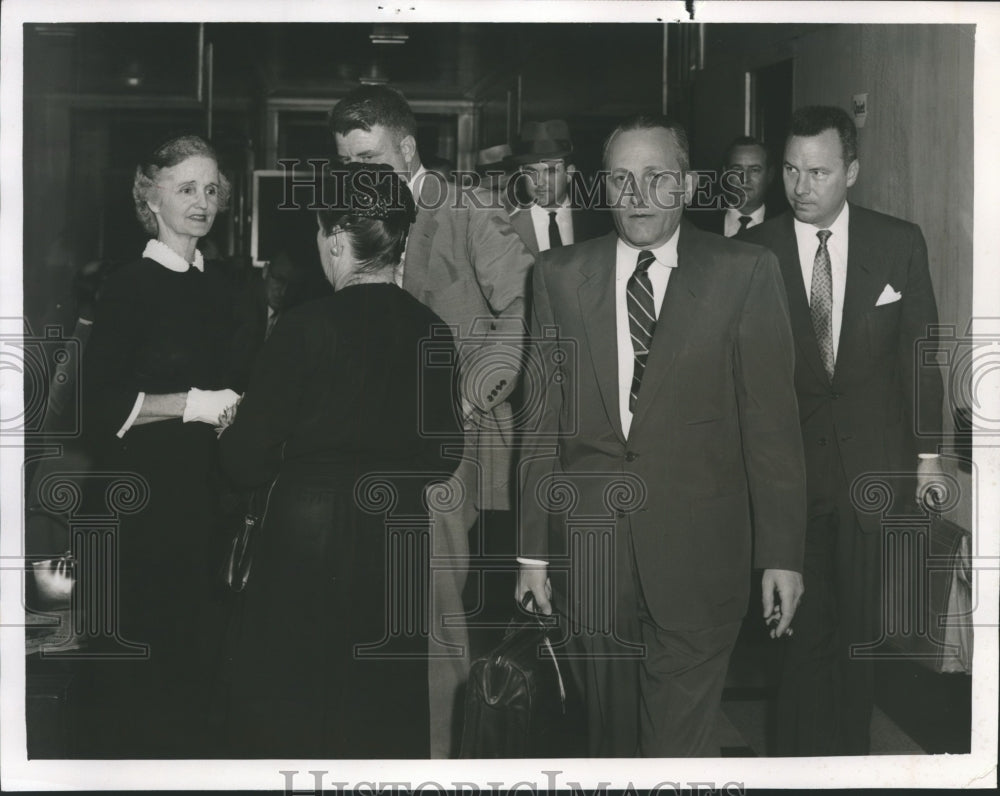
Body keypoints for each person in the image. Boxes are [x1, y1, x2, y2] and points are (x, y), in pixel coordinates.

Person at [516, 115, 807, 757]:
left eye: (656, 177)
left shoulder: (745, 272)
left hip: (704, 557)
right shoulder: (559, 277)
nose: (638, 193)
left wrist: (782, 552)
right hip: (591, 556)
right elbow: (540, 423)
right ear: (602, 187)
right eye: (621, 178)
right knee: (609, 745)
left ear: (688, 185)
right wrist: (533, 552)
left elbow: (772, 426)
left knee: (676, 746)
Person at [218, 164, 461, 758]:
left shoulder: (302, 328)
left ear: (333, 239)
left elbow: (244, 462)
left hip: (305, 540)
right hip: (394, 545)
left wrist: (234, 430)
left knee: (296, 713)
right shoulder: (432, 330)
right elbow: (446, 454)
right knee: (381, 713)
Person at [330, 85, 535, 758]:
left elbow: (526, 307)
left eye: (369, 158)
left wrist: (474, 391)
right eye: (348, 162)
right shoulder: (360, 215)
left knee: (437, 614)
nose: (358, 175)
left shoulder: (467, 211)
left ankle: (440, 759)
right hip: (374, 440)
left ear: (409, 148)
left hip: (451, 441)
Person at [742, 105, 945, 756]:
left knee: (860, 639)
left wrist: (929, 458)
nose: (802, 186)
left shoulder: (898, 242)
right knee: (797, 641)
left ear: (851, 171)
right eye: (792, 170)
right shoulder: (752, 253)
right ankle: (797, 763)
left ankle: (850, 761)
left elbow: (921, 354)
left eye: (820, 172)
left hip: (872, 476)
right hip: (788, 480)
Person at [79, 133, 240, 756]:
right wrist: (193, 405)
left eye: (210, 188)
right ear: (152, 198)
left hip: (203, 504)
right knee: (137, 686)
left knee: (193, 676)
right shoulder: (127, 285)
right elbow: (95, 408)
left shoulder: (224, 286)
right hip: (136, 510)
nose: (202, 200)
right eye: (185, 189)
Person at [507, 119, 610, 253]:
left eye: (550, 171)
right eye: (531, 172)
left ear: (569, 173)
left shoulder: (597, 225)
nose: (539, 182)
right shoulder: (507, 229)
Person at [690, 136, 778, 237]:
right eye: (737, 169)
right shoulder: (700, 228)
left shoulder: (785, 230)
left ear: (770, 175)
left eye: (755, 170)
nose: (744, 179)